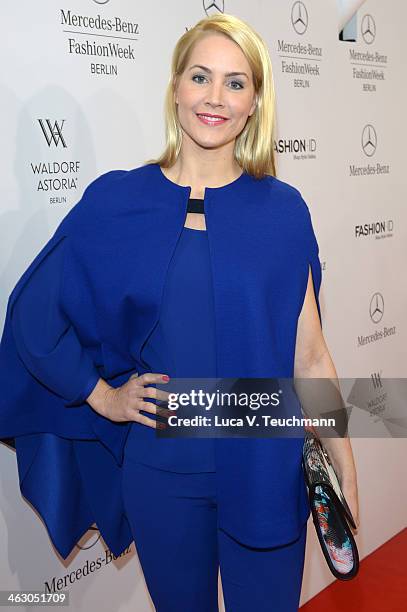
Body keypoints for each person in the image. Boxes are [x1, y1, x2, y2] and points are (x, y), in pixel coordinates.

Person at [0, 13, 360, 611]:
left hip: (267, 466)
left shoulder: (283, 211)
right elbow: (35, 313)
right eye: (201, 76)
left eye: (235, 83)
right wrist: (100, 395)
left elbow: (311, 354)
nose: (215, 97)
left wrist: (342, 462)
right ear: (175, 87)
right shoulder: (117, 201)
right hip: (162, 471)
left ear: (254, 104)